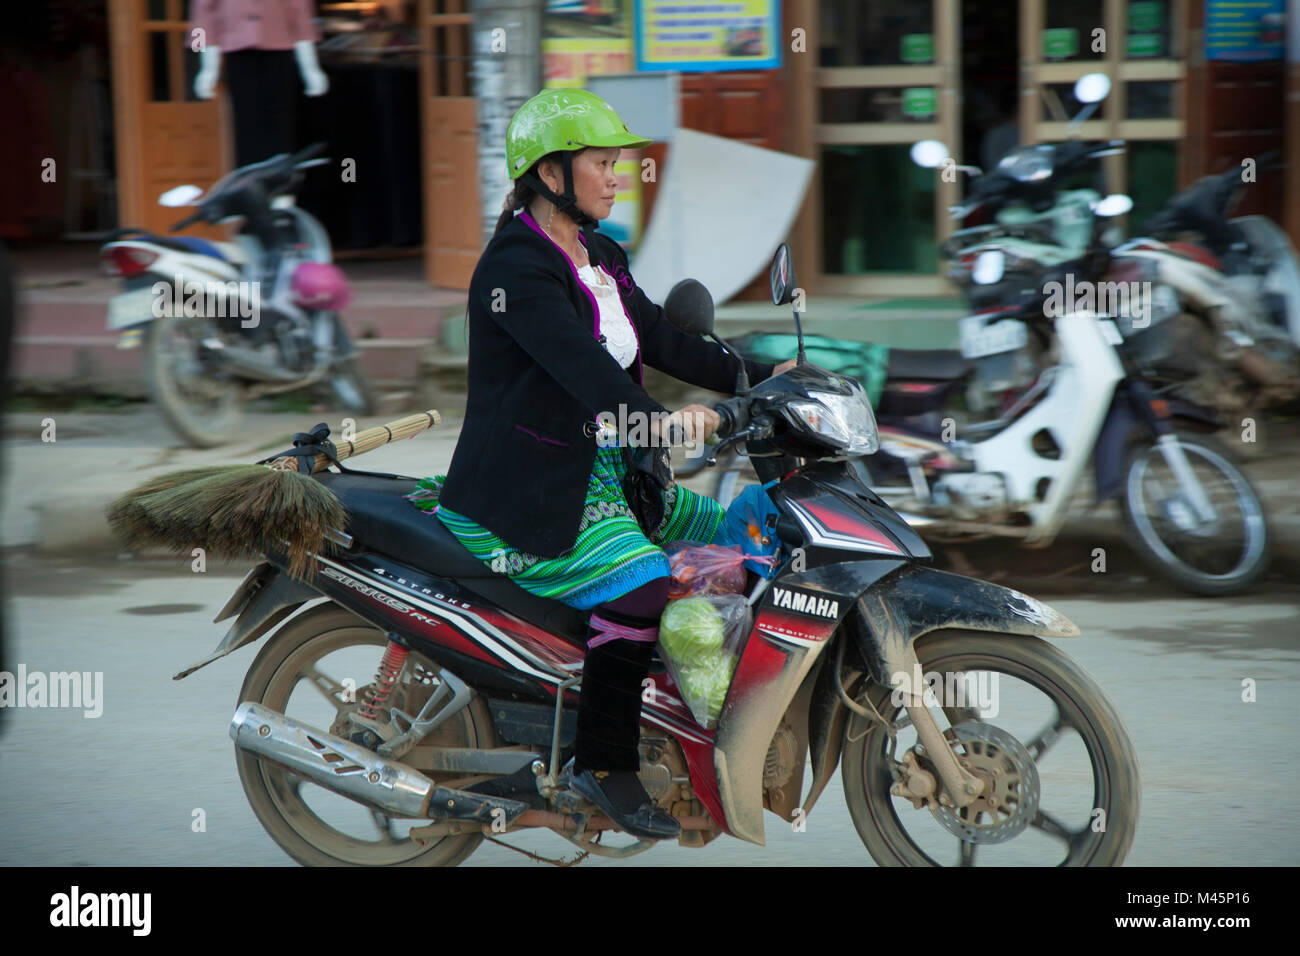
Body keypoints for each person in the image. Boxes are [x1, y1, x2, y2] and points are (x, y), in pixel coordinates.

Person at [405, 89, 794, 840]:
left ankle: (682, 721)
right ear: (552, 173)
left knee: (742, 539)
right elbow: (586, 372)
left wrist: (766, 376)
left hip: (615, 475)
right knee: (647, 590)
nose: (619, 178)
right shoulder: (515, 270)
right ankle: (603, 762)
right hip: (534, 491)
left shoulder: (600, 255)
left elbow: (665, 340)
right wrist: (664, 421)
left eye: (617, 164)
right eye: (603, 164)